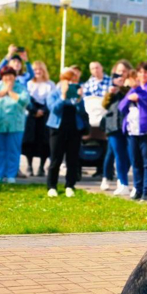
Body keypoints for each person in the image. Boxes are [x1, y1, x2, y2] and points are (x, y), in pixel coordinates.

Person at [119, 62, 147, 201]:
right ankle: (137, 189)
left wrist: (139, 92)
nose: (143, 75)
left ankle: (146, 192)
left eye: (146, 72)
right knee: (135, 162)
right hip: (132, 132)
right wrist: (130, 96)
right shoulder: (133, 89)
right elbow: (121, 107)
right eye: (140, 72)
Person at [46, 68, 88, 197]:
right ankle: (52, 186)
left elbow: (82, 111)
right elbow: (54, 109)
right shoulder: (54, 93)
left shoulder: (76, 95)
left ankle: (70, 185)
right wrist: (63, 96)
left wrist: (79, 98)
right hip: (57, 129)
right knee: (55, 159)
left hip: (74, 129)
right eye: (68, 79)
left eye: (73, 80)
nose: (70, 82)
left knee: (72, 159)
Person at [0, 66, 30, 183]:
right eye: (5, 75)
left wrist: (10, 92)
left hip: (16, 125)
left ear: (15, 76)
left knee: (13, 150)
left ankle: (11, 175)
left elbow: (25, 101)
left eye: (11, 75)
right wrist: (3, 91)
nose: (8, 78)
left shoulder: (20, 87)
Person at [102, 60, 133, 196]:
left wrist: (124, 88)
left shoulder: (131, 86)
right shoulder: (110, 86)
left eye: (124, 71)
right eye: (119, 71)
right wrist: (111, 92)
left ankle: (122, 179)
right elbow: (104, 104)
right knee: (116, 153)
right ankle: (117, 181)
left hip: (128, 125)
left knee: (129, 155)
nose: (121, 74)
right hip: (113, 125)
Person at [24, 61, 54, 177]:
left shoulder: (50, 84)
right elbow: (26, 99)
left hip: (45, 114)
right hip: (32, 114)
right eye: (35, 70)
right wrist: (34, 111)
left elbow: (51, 100)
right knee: (30, 140)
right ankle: (29, 165)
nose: (38, 72)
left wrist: (43, 111)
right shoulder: (29, 84)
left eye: (40, 69)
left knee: (44, 141)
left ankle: (41, 166)